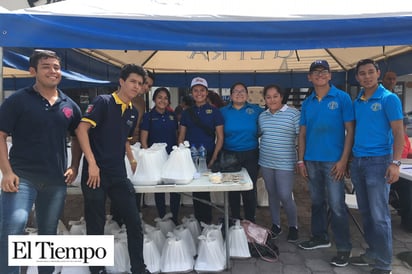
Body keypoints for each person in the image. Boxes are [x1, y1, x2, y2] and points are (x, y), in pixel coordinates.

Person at [0, 49, 82, 274]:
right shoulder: (17, 100)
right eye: (46, 66)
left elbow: (78, 137)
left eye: (56, 67)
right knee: (13, 228)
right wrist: (6, 172)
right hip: (21, 178)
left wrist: (74, 165)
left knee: (48, 234)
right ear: (32, 71)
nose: (53, 71)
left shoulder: (69, 105)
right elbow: (1, 134)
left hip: (55, 181)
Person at [75, 64, 150, 274]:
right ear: (122, 81)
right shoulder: (103, 102)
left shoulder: (133, 112)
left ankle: (139, 267)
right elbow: (81, 129)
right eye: (133, 81)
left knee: (134, 221)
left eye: (140, 83)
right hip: (95, 174)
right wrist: (91, 163)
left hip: (118, 174)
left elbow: (124, 140)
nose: (136, 86)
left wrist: (132, 160)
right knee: (95, 223)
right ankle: (97, 269)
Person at [349, 59, 404, 274]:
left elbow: (399, 132)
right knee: (366, 212)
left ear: (378, 73)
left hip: (379, 162)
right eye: (362, 73)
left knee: (380, 215)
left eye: (371, 72)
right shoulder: (359, 100)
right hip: (359, 161)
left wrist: (395, 163)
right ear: (357, 77)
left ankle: (384, 264)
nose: (366, 76)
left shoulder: (389, 99)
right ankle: (372, 252)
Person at [297, 60, 354, 267]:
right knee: (316, 202)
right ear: (309, 77)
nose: (319, 75)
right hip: (311, 160)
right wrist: (301, 160)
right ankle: (320, 237)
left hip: (333, 162)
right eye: (315, 72)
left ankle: (344, 248)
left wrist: (343, 160)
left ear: (330, 75)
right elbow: (302, 133)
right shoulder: (308, 102)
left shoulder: (342, 98)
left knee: (337, 206)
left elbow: (350, 131)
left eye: (323, 71)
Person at [177, 77, 224, 224]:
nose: (199, 93)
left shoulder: (215, 112)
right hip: (190, 157)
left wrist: (213, 158)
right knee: (196, 189)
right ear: (191, 93)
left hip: (209, 156)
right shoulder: (186, 113)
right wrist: (182, 157)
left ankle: (207, 221)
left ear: (207, 92)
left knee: (206, 188)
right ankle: (199, 221)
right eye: (196, 90)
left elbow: (220, 137)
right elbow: (181, 136)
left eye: (202, 90)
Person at [258, 84, 300, 242]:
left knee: (285, 194)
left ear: (281, 97)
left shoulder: (293, 114)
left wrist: (301, 159)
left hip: (286, 162)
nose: (272, 99)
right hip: (266, 161)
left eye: (275, 96)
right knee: (272, 194)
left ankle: (293, 226)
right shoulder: (263, 116)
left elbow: (300, 137)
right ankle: (276, 224)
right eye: (268, 97)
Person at [220, 82, 263, 222]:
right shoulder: (223, 112)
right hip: (229, 154)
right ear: (231, 95)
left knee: (249, 189)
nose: (239, 94)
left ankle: (250, 220)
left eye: (242, 91)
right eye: (236, 91)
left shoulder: (256, 110)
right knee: (233, 189)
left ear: (247, 94)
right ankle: (235, 220)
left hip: (251, 153)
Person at [140, 87, 180, 224]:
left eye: (165, 98)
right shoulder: (148, 116)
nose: (162, 100)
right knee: (160, 188)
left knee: (175, 188)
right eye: (159, 97)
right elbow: (144, 140)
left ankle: (175, 217)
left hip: (172, 158)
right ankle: (162, 216)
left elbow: (176, 135)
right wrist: (149, 157)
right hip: (156, 159)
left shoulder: (172, 116)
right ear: (154, 99)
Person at [390, 116, 412, 232]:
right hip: (392, 174)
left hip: (404, 171)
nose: (405, 127)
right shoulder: (392, 138)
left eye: (406, 125)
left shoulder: (406, 138)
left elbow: (409, 154)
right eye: (403, 125)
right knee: (407, 187)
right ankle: (407, 220)